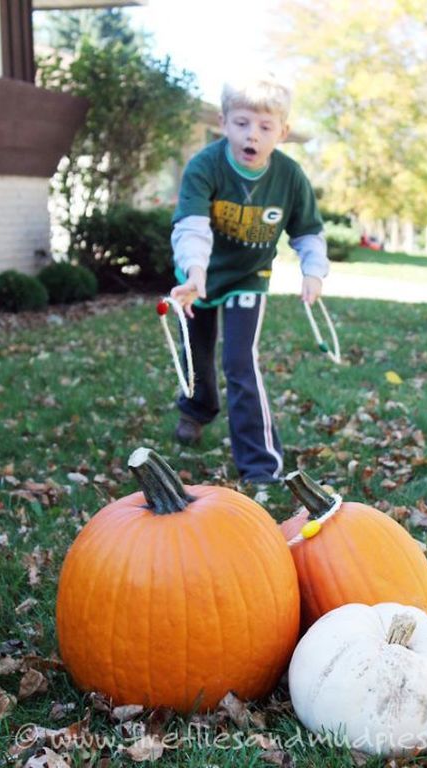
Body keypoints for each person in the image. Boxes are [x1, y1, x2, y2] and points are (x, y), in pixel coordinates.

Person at [169, 73, 329, 484]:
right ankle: (196, 410)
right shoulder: (205, 166)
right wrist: (195, 272)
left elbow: (307, 231)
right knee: (197, 357)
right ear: (223, 122)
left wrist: (313, 271)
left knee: (240, 363)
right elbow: (192, 226)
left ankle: (260, 466)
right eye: (241, 123)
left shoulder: (290, 177)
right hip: (197, 277)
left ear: (283, 132)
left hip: (248, 278)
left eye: (264, 126)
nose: (251, 135)